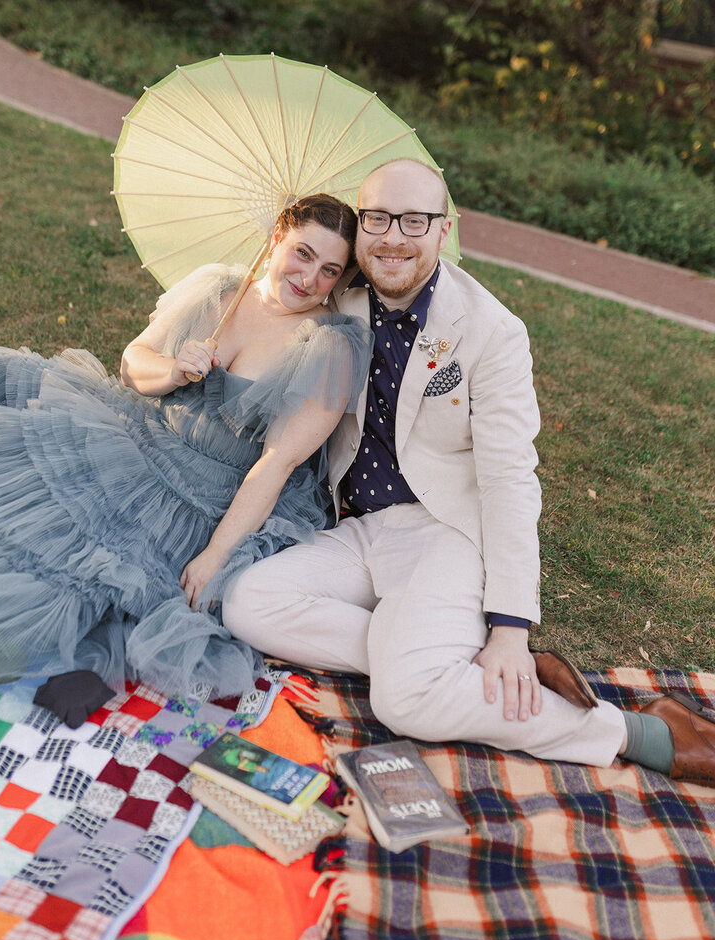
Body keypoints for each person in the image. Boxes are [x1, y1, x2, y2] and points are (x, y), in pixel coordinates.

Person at [223, 159, 715, 788]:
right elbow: (271, 307)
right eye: (376, 218)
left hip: (443, 531)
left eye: (414, 221)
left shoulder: (492, 331)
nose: (393, 236)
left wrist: (510, 628)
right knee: (247, 600)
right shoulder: (337, 297)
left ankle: (637, 731)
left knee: (406, 704)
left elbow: (512, 478)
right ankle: (434, 656)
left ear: (443, 228)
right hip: (357, 528)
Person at [0, 194, 373, 701]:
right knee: (31, 512)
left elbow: (279, 461)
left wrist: (216, 553)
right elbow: (133, 364)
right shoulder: (220, 291)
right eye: (303, 254)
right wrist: (174, 369)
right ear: (275, 240)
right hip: (137, 435)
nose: (309, 279)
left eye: (330, 270)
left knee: (98, 564)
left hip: (211, 492)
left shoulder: (328, 347)